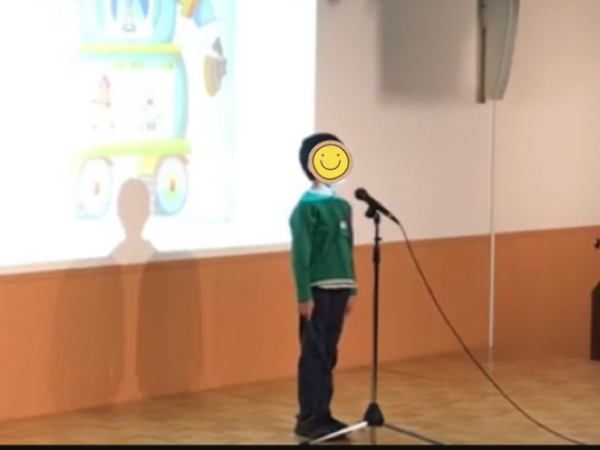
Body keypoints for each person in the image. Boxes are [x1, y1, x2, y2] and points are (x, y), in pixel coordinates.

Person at [289, 133, 357, 440]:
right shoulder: (306, 208)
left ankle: (323, 413)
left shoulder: (342, 206)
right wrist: (304, 294)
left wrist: (352, 287)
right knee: (313, 353)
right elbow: (300, 254)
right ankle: (309, 417)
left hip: (340, 288)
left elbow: (347, 248)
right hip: (318, 290)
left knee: (329, 353)